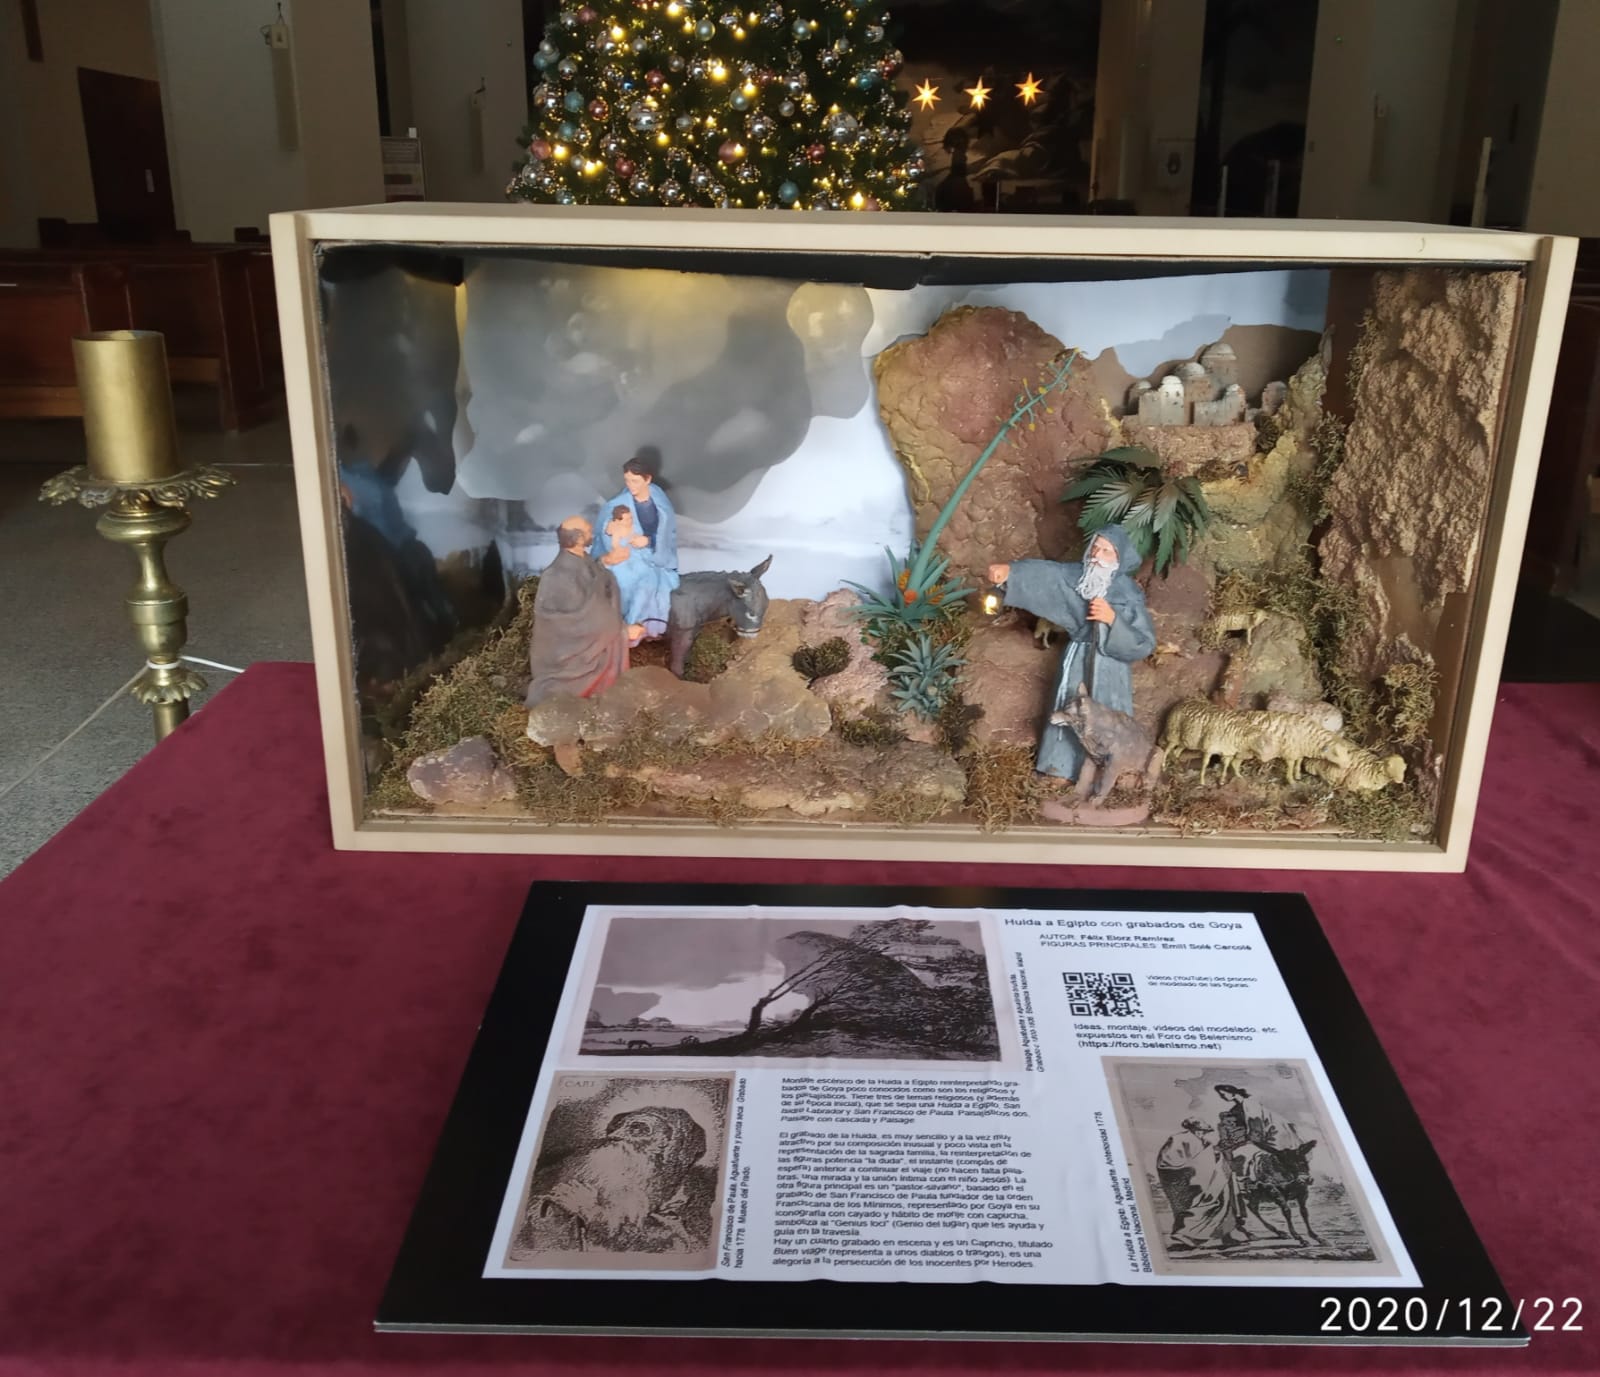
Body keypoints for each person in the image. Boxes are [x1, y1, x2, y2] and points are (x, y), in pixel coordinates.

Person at [986, 523, 1156, 780]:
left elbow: (1144, 643)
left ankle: (1107, 774)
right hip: (1078, 656)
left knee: (1108, 720)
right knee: (1069, 709)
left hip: (1112, 670)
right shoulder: (1075, 577)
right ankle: (1059, 767)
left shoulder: (1128, 594)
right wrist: (1011, 572)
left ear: (1119, 558)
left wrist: (1113, 620)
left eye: (1106, 551)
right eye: (1095, 548)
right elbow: (1048, 576)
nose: (1096, 556)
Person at [526, 516, 645, 707]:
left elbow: (595, 581)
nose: (593, 533)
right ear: (579, 539)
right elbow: (581, 620)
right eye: (589, 531)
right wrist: (622, 631)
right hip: (571, 654)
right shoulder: (556, 576)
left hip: (592, 639)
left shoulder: (583, 559)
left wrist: (605, 561)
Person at [593, 451, 680, 636]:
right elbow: (606, 536)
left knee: (654, 583)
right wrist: (616, 538)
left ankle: (646, 628)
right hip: (627, 555)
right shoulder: (617, 505)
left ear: (647, 479)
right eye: (627, 480)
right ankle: (625, 628)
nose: (630, 485)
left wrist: (648, 540)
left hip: (654, 554)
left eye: (635, 481)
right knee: (628, 581)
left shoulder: (661, 503)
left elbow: (667, 535)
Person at [598, 504, 675, 646]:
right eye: (627, 519)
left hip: (639, 556)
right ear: (618, 520)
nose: (630, 521)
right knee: (639, 583)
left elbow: (640, 539)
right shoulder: (614, 529)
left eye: (631, 518)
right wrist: (627, 545)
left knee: (656, 578)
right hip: (623, 561)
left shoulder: (632, 527)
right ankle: (631, 623)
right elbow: (615, 548)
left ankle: (650, 626)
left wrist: (640, 541)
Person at [1155, 1118, 1213, 1236]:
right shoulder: (1179, 1139)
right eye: (1200, 1130)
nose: (1202, 1133)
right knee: (1182, 1205)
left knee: (1191, 1204)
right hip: (1176, 1176)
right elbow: (1168, 1160)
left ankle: (1189, 1232)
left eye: (1204, 1131)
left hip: (1190, 1176)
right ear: (1193, 1129)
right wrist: (1189, 1168)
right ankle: (1182, 1232)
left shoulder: (1202, 1141)